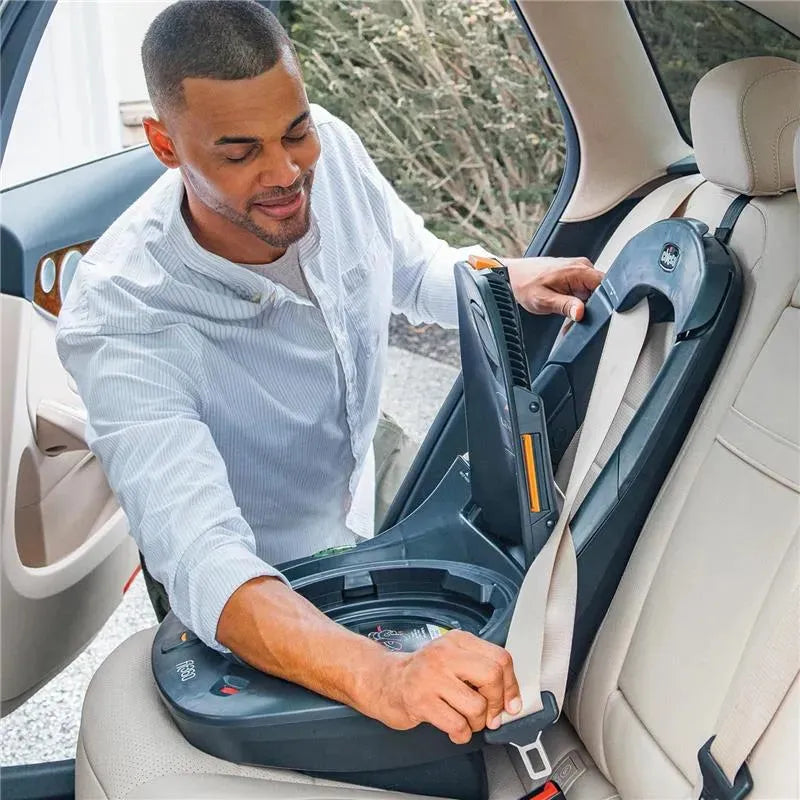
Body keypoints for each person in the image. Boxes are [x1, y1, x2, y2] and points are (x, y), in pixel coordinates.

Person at [56, 0, 601, 747]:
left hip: (361, 474)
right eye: (240, 153)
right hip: (262, 578)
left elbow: (409, 265)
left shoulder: (331, 151)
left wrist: (499, 277)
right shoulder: (121, 313)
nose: (287, 173)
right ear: (164, 145)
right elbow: (206, 560)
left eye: (295, 132)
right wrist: (383, 678)